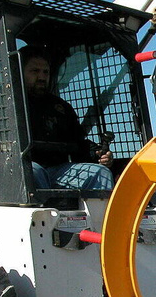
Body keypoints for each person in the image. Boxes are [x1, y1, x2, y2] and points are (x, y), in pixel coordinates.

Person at [20, 46, 114, 191]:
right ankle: (48, 210)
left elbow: (77, 141)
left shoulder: (60, 108)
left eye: (46, 72)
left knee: (101, 173)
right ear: (20, 71)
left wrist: (96, 153)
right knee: (32, 171)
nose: (42, 77)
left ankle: (103, 214)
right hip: (23, 169)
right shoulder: (9, 103)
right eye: (35, 71)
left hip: (57, 170)